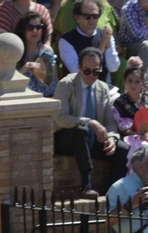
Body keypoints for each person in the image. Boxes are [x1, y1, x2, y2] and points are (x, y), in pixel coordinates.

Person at [54, 48, 122, 196]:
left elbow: (110, 122)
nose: (91, 75)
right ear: (79, 68)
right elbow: (60, 118)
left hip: (92, 138)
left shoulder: (103, 88)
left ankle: (112, 190)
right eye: (87, 71)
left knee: (123, 149)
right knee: (81, 130)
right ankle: (86, 185)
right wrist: (89, 122)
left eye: (95, 72)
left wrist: (112, 138)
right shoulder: (65, 84)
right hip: (67, 138)